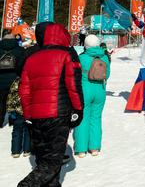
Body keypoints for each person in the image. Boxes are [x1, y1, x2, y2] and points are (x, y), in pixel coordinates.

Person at [18, 23, 84, 187]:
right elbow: (73, 86)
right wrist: (78, 109)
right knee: (52, 163)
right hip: (58, 114)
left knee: (45, 158)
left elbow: (24, 90)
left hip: (36, 116)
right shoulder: (66, 54)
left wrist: (28, 115)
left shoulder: (31, 57)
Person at [73, 35, 111, 158]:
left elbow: (76, 75)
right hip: (100, 91)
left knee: (83, 118)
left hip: (85, 90)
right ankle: (94, 148)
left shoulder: (82, 57)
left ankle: (81, 149)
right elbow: (108, 74)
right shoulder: (104, 57)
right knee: (96, 118)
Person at [0, 33, 26, 128]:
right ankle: (12, 120)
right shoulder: (20, 50)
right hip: (14, 80)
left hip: (0, 80)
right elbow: (23, 65)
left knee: (1, 102)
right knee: (13, 102)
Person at [7, 77, 31, 158]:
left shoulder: (15, 82)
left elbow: (10, 97)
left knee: (17, 131)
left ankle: (15, 151)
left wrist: (10, 110)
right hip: (28, 110)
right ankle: (27, 150)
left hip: (17, 111)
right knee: (28, 131)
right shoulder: (30, 80)